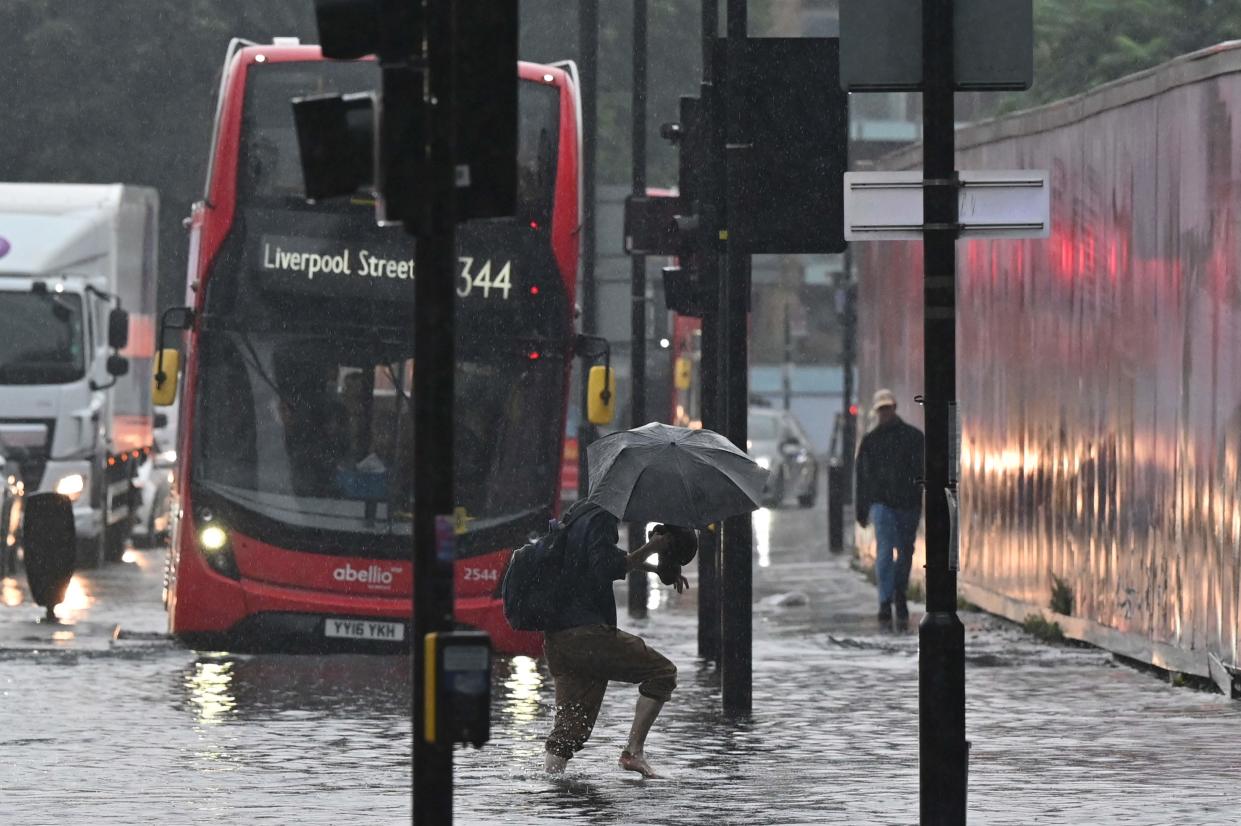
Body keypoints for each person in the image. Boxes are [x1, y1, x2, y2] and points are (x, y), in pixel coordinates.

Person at [542, 500, 693, 779]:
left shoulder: (578, 513)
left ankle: (552, 795)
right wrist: (653, 548)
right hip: (588, 634)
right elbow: (606, 566)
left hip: (559, 637)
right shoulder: (603, 519)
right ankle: (633, 752)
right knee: (662, 673)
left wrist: (653, 568)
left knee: (567, 734)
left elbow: (596, 559)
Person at [855, 388, 924, 631]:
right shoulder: (909, 438)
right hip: (891, 504)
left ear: (892, 408)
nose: (885, 413)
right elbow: (862, 479)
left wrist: (862, 509)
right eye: (882, 409)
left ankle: (895, 596)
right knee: (889, 551)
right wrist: (862, 508)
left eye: (887, 408)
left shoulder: (878, 441)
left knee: (902, 552)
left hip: (901, 503)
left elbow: (863, 478)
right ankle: (889, 600)